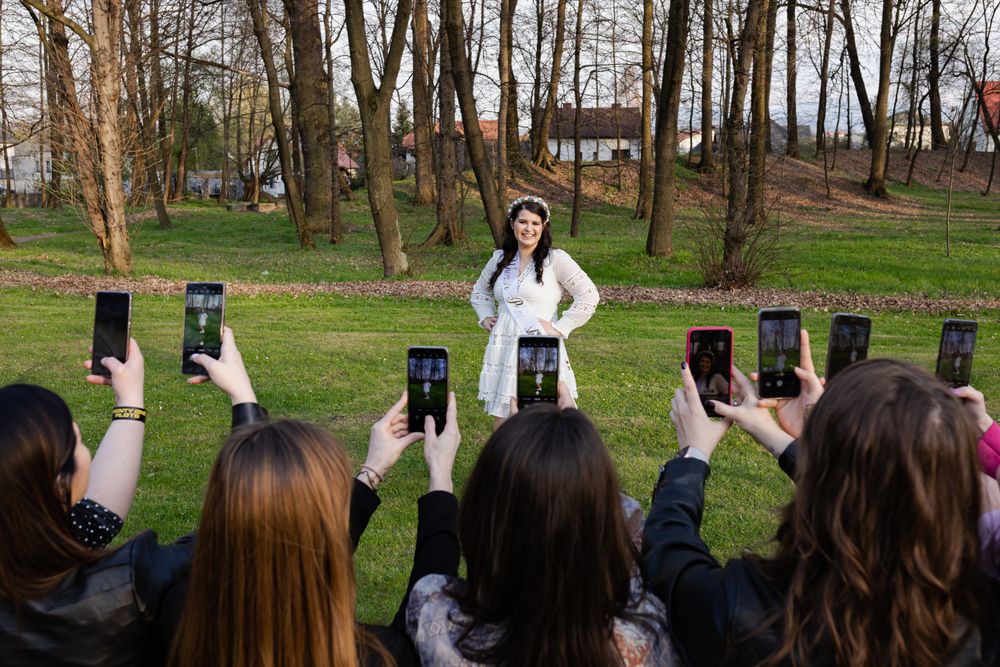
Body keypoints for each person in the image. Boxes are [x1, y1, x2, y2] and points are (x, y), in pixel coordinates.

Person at [645, 356, 998, 666]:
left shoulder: (744, 609)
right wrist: (772, 434)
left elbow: (670, 556)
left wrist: (693, 455)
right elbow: (866, 490)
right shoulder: (980, 616)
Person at [169, 359, 463, 666]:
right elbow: (426, 610)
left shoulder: (179, 619)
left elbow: (275, 518)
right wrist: (440, 478)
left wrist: (372, 472)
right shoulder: (372, 656)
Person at [407, 388, 675, 666]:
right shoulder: (653, 637)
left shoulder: (437, 622)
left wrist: (440, 473)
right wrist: (579, 458)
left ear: (480, 518)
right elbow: (628, 545)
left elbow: (433, 579)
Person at [0, 338, 191, 666]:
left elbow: (96, 517)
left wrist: (130, 401)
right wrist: (244, 401)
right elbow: (239, 533)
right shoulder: (125, 587)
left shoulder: (21, 545)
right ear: (60, 484)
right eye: (78, 442)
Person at [471, 195, 600, 429]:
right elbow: (480, 292)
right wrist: (486, 317)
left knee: (543, 420)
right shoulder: (499, 259)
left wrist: (560, 327)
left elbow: (589, 295)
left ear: (544, 226)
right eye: (523, 222)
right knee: (503, 424)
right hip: (505, 346)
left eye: (535, 223)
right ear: (512, 224)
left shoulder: (556, 260)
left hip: (539, 346)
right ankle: (506, 465)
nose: (528, 228)